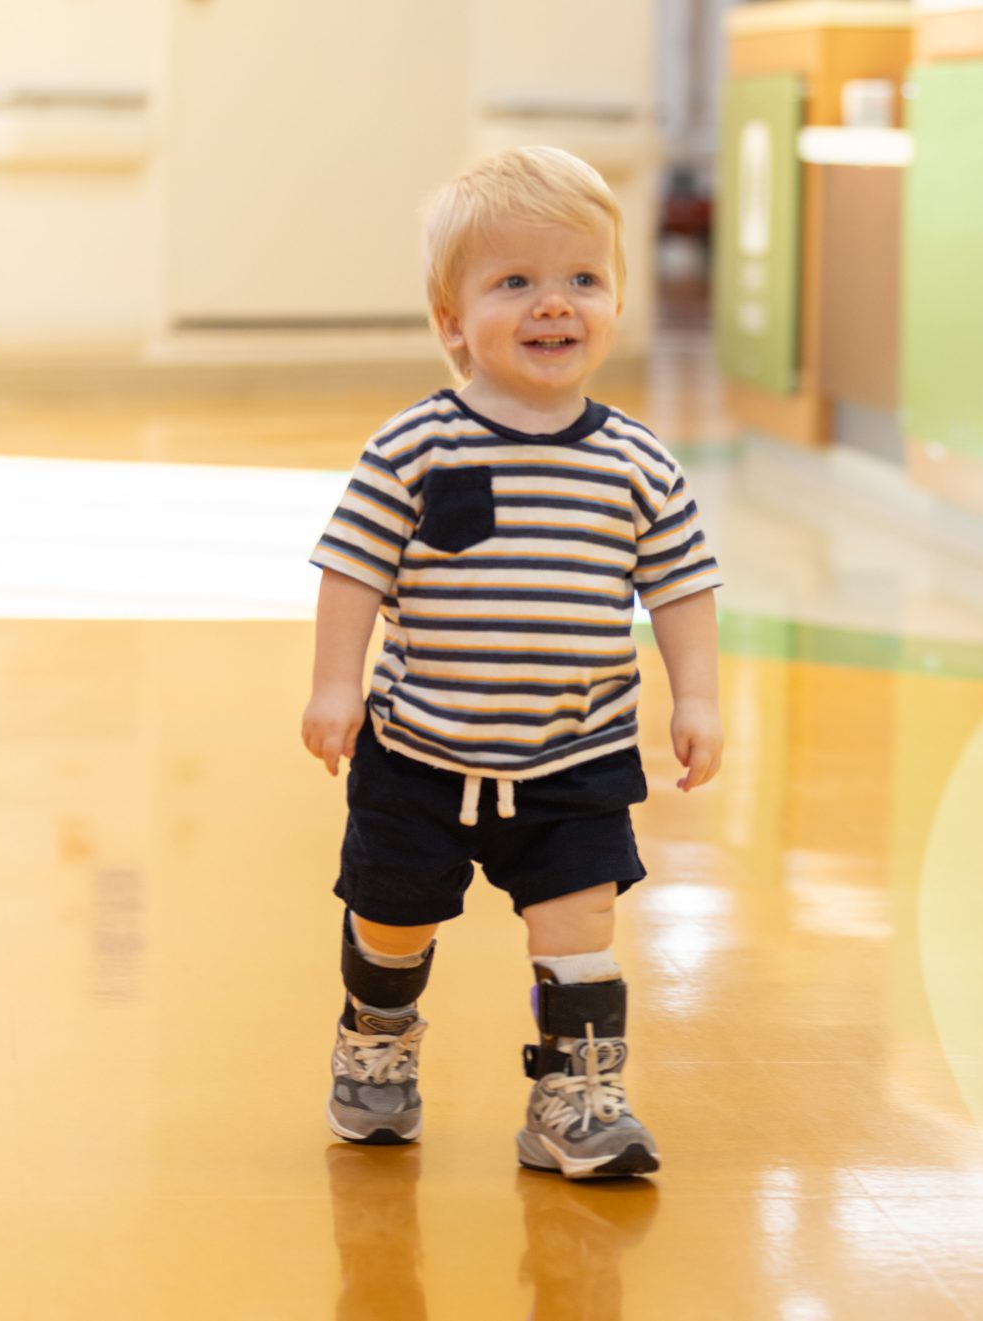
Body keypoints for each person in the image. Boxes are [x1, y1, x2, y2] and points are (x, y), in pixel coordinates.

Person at [298, 146, 724, 1180]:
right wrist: (334, 683)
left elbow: (679, 585)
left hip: (574, 756)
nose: (555, 305)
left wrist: (698, 694)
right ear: (453, 322)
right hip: (420, 751)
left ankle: (573, 1098)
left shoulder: (636, 463)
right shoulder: (414, 448)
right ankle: (378, 1038)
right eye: (515, 283)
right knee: (392, 922)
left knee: (577, 928)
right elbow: (352, 568)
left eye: (584, 278)